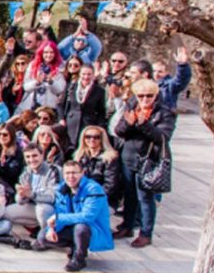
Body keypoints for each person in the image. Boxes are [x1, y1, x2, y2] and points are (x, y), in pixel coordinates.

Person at [112, 79, 176, 248]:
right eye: (141, 96)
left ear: (156, 96)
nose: (145, 99)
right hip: (129, 157)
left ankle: (146, 233)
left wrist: (143, 124)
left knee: (145, 198)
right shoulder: (132, 107)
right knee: (129, 195)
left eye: (149, 96)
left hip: (148, 160)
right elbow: (118, 131)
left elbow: (162, 137)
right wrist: (129, 123)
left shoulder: (164, 113)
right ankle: (127, 226)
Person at [34, 160, 114, 272]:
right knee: (42, 237)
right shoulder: (62, 189)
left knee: (80, 227)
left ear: (82, 173)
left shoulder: (93, 189)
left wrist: (58, 218)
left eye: (74, 173)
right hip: (72, 227)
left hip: (92, 229)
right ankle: (75, 246)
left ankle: (79, 259)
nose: (70, 176)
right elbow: (60, 211)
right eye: (67, 173)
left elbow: (87, 217)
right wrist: (52, 229)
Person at [4, 144, 59, 233]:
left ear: (42, 155)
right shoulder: (26, 171)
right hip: (35, 207)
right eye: (28, 157)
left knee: (41, 209)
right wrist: (21, 195)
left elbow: (52, 198)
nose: (31, 160)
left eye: (34, 156)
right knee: (7, 212)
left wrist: (31, 194)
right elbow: (20, 202)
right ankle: (36, 228)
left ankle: (49, 234)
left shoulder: (53, 170)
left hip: (52, 209)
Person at [58, 64, 107, 149]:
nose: (86, 77)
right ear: (80, 74)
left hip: (88, 124)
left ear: (93, 75)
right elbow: (60, 104)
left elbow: (101, 111)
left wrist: (99, 127)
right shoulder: (71, 87)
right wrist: (61, 119)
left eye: (89, 74)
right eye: (84, 74)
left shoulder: (100, 91)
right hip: (71, 123)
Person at [72, 125, 121, 204]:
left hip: (103, 199)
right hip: (81, 197)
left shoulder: (110, 158)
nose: (92, 139)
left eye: (96, 137)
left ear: (101, 139)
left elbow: (110, 184)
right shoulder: (78, 157)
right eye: (88, 137)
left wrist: (93, 197)